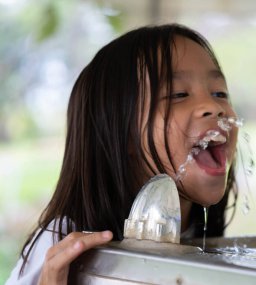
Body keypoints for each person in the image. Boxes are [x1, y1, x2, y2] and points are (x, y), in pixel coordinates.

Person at [6, 23, 239, 285]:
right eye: (179, 94)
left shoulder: (198, 235)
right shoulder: (62, 245)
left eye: (220, 93)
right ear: (120, 131)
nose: (215, 107)